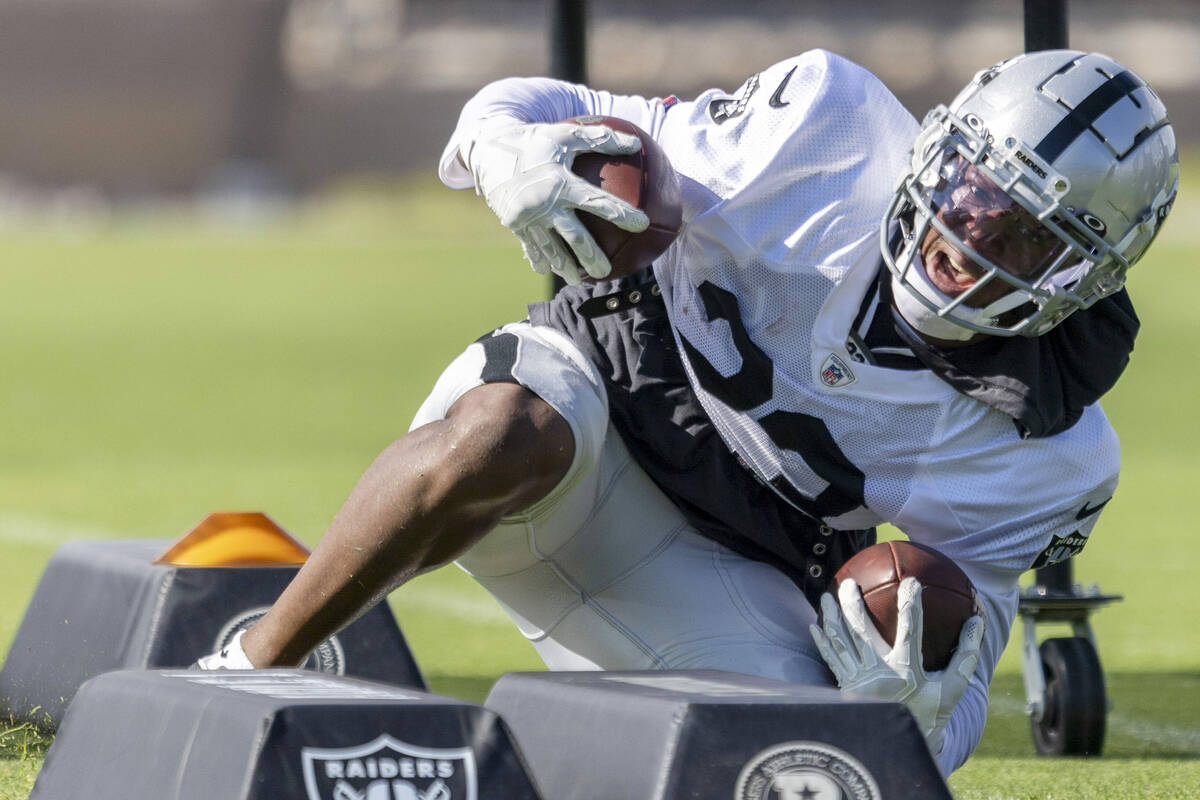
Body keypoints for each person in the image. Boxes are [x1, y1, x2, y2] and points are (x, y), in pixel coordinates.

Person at [198, 48, 1179, 775]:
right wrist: (506, 150)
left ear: (1083, 282)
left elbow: (957, 675)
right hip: (595, 402)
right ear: (940, 142)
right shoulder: (826, 130)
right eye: (969, 188)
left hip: (730, 563)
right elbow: (558, 103)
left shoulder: (1049, 452)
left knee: (805, 765)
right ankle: (242, 670)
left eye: (1022, 234)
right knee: (494, 437)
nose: (966, 235)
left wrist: (910, 716)